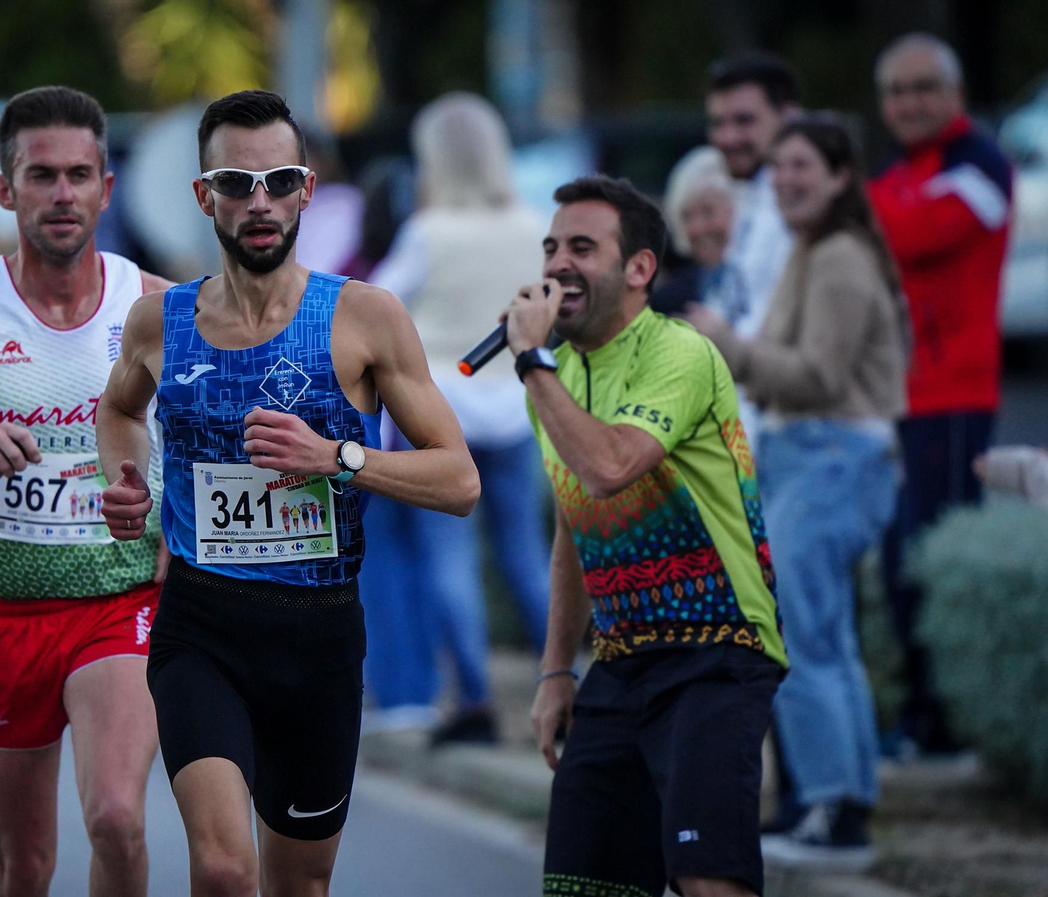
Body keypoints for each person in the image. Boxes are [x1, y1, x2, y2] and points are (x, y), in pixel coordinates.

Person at [97, 90, 479, 897]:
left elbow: (458, 480)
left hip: (319, 637)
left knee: (298, 884)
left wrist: (337, 457)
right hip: (200, 625)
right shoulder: (158, 322)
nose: (259, 202)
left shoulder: (364, 317)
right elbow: (119, 410)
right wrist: (128, 479)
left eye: (279, 181)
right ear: (203, 196)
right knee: (224, 867)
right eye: (236, 184)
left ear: (307, 189)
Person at [0, 85, 173, 897]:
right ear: (4, 188)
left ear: (106, 188)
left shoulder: (156, 305)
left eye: (79, 175)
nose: (62, 194)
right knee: (25, 863)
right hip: (1, 610)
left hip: (120, 604)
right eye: (41, 175)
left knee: (116, 817)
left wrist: (179, 534)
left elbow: (203, 441)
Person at [513, 175, 787, 897]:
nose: (557, 264)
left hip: (716, 650)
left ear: (639, 268)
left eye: (581, 247)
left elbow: (609, 469)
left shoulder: (678, 352)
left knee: (707, 879)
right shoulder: (557, 376)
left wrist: (532, 362)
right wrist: (555, 670)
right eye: (550, 248)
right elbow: (576, 521)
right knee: (583, 885)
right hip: (622, 658)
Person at [687, 114, 907, 871]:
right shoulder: (817, 248)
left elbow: (819, 375)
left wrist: (727, 345)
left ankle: (834, 811)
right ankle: (840, 805)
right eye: (778, 167)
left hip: (830, 455)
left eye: (802, 166)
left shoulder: (839, 256)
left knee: (801, 636)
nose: (784, 179)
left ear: (842, 176)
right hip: (812, 454)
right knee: (824, 635)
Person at [362, 92, 553, 746]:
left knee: (449, 559)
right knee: (525, 554)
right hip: (517, 405)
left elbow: (377, 304)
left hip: (442, 409)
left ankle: (475, 698)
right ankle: (566, 681)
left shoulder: (428, 232)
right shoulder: (532, 226)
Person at [868, 32, 1013, 757]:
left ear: (955, 94)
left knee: (932, 562)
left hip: (953, 396)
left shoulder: (980, 161)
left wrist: (857, 208)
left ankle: (947, 723)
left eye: (923, 87)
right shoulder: (902, 171)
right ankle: (923, 716)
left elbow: (911, 233)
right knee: (900, 563)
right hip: (898, 397)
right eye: (896, 91)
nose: (909, 103)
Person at [705, 53, 800, 339]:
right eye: (718, 123)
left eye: (744, 121)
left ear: (789, 117)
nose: (728, 138)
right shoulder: (747, 194)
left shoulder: (806, 207)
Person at [652, 146, 739, 317]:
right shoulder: (668, 304)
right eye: (686, 217)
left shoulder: (766, 281)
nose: (697, 228)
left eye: (708, 212)